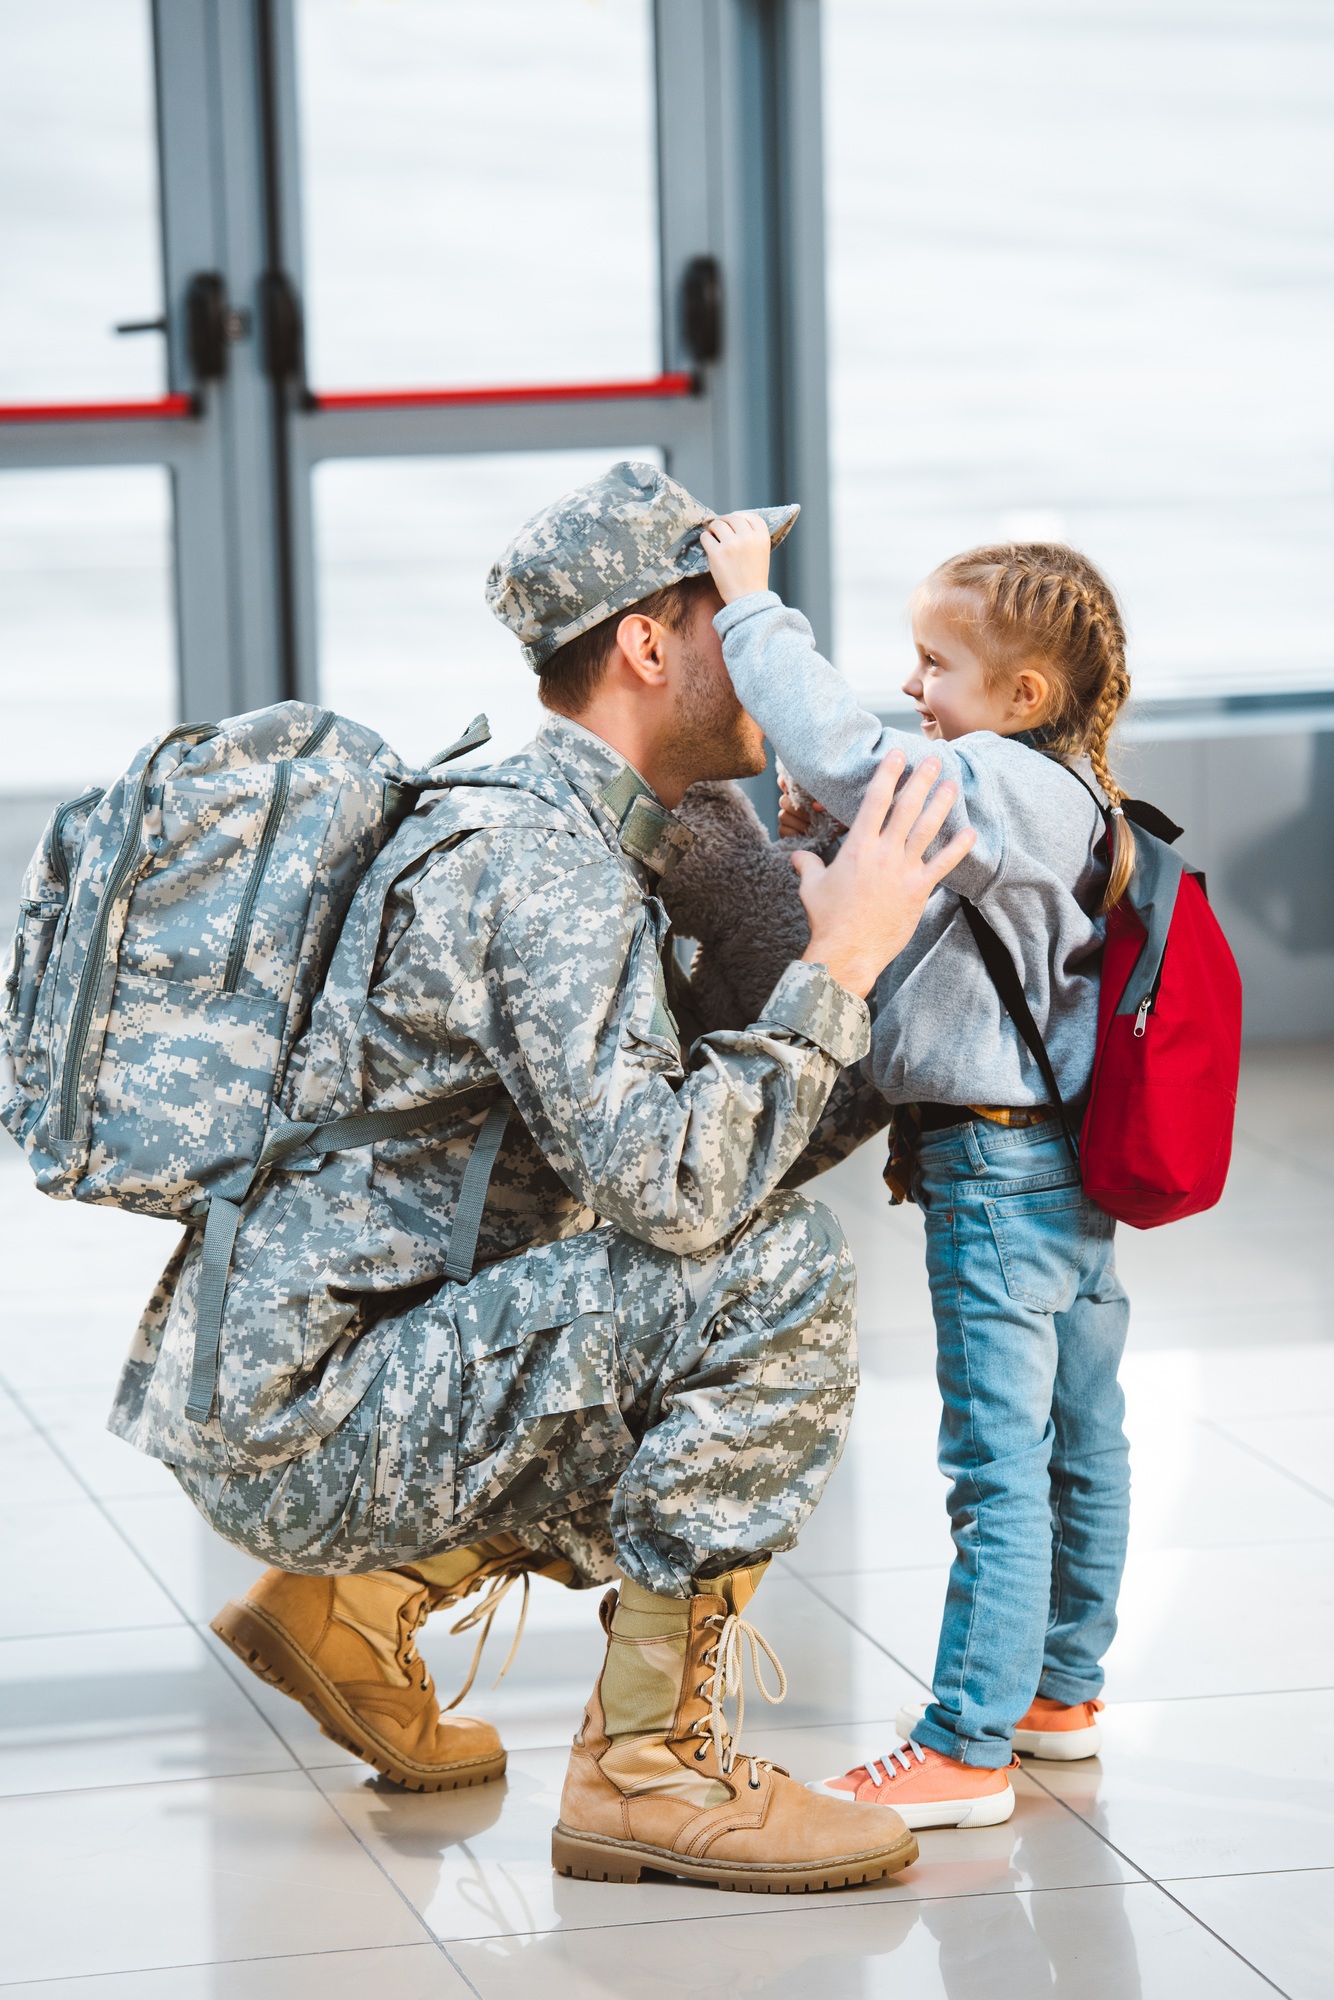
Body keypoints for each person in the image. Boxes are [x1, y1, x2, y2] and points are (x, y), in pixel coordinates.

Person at [108, 461, 974, 1893]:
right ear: (648, 642)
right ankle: (647, 1773)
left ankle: (350, 1610)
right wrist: (842, 961)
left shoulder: (607, 825)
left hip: (323, 1369)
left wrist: (843, 982)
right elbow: (685, 1200)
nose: (776, 641)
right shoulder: (540, 864)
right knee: (777, 1285)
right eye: (734, 616)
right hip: (312, 1414)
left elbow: (703, 1153)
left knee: (714, 1280)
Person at [697, 513, 1135, 1830]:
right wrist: (832, 835)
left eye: (934, 664)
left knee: (997, 1463)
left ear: (1022, 695)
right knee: (1077, 1439)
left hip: (996, 1181)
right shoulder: (1070, 796)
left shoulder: (999, 780)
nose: (910, 688)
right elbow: (929, 936)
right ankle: (1055, 1694)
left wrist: (747, 609)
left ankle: (963, 1746)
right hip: (1059, 1170)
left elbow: (838, 744)